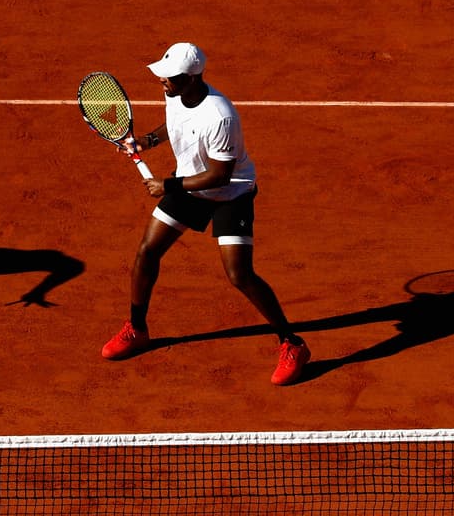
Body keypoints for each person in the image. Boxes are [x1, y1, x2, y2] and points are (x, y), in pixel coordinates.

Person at [101, 42, 309, 385]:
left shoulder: (220, 117)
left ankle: (293, 343)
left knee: (239, 274)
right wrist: (147, 141)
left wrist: (167, 187)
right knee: (147, 251)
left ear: (193, 77)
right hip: (190, 185)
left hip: (230, 192)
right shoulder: (175, 93)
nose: (162, 82)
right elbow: (174, 124)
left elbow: (220, 175)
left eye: (170, 77)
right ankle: (137, 329)